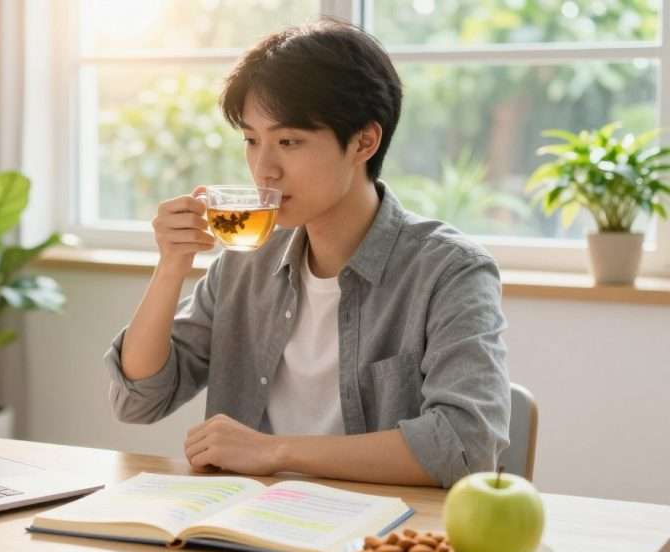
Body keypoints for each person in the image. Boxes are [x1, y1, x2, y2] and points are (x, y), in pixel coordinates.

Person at [103, 19, 510, 488]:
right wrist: (170, 267)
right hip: (245, 527)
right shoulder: (244, 260)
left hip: (376, 537)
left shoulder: (449, 271)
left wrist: (273, 452)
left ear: (364, 141)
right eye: (252, 141)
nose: (264, 169)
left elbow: (465, 446)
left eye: (289, 142)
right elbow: (138, 400)